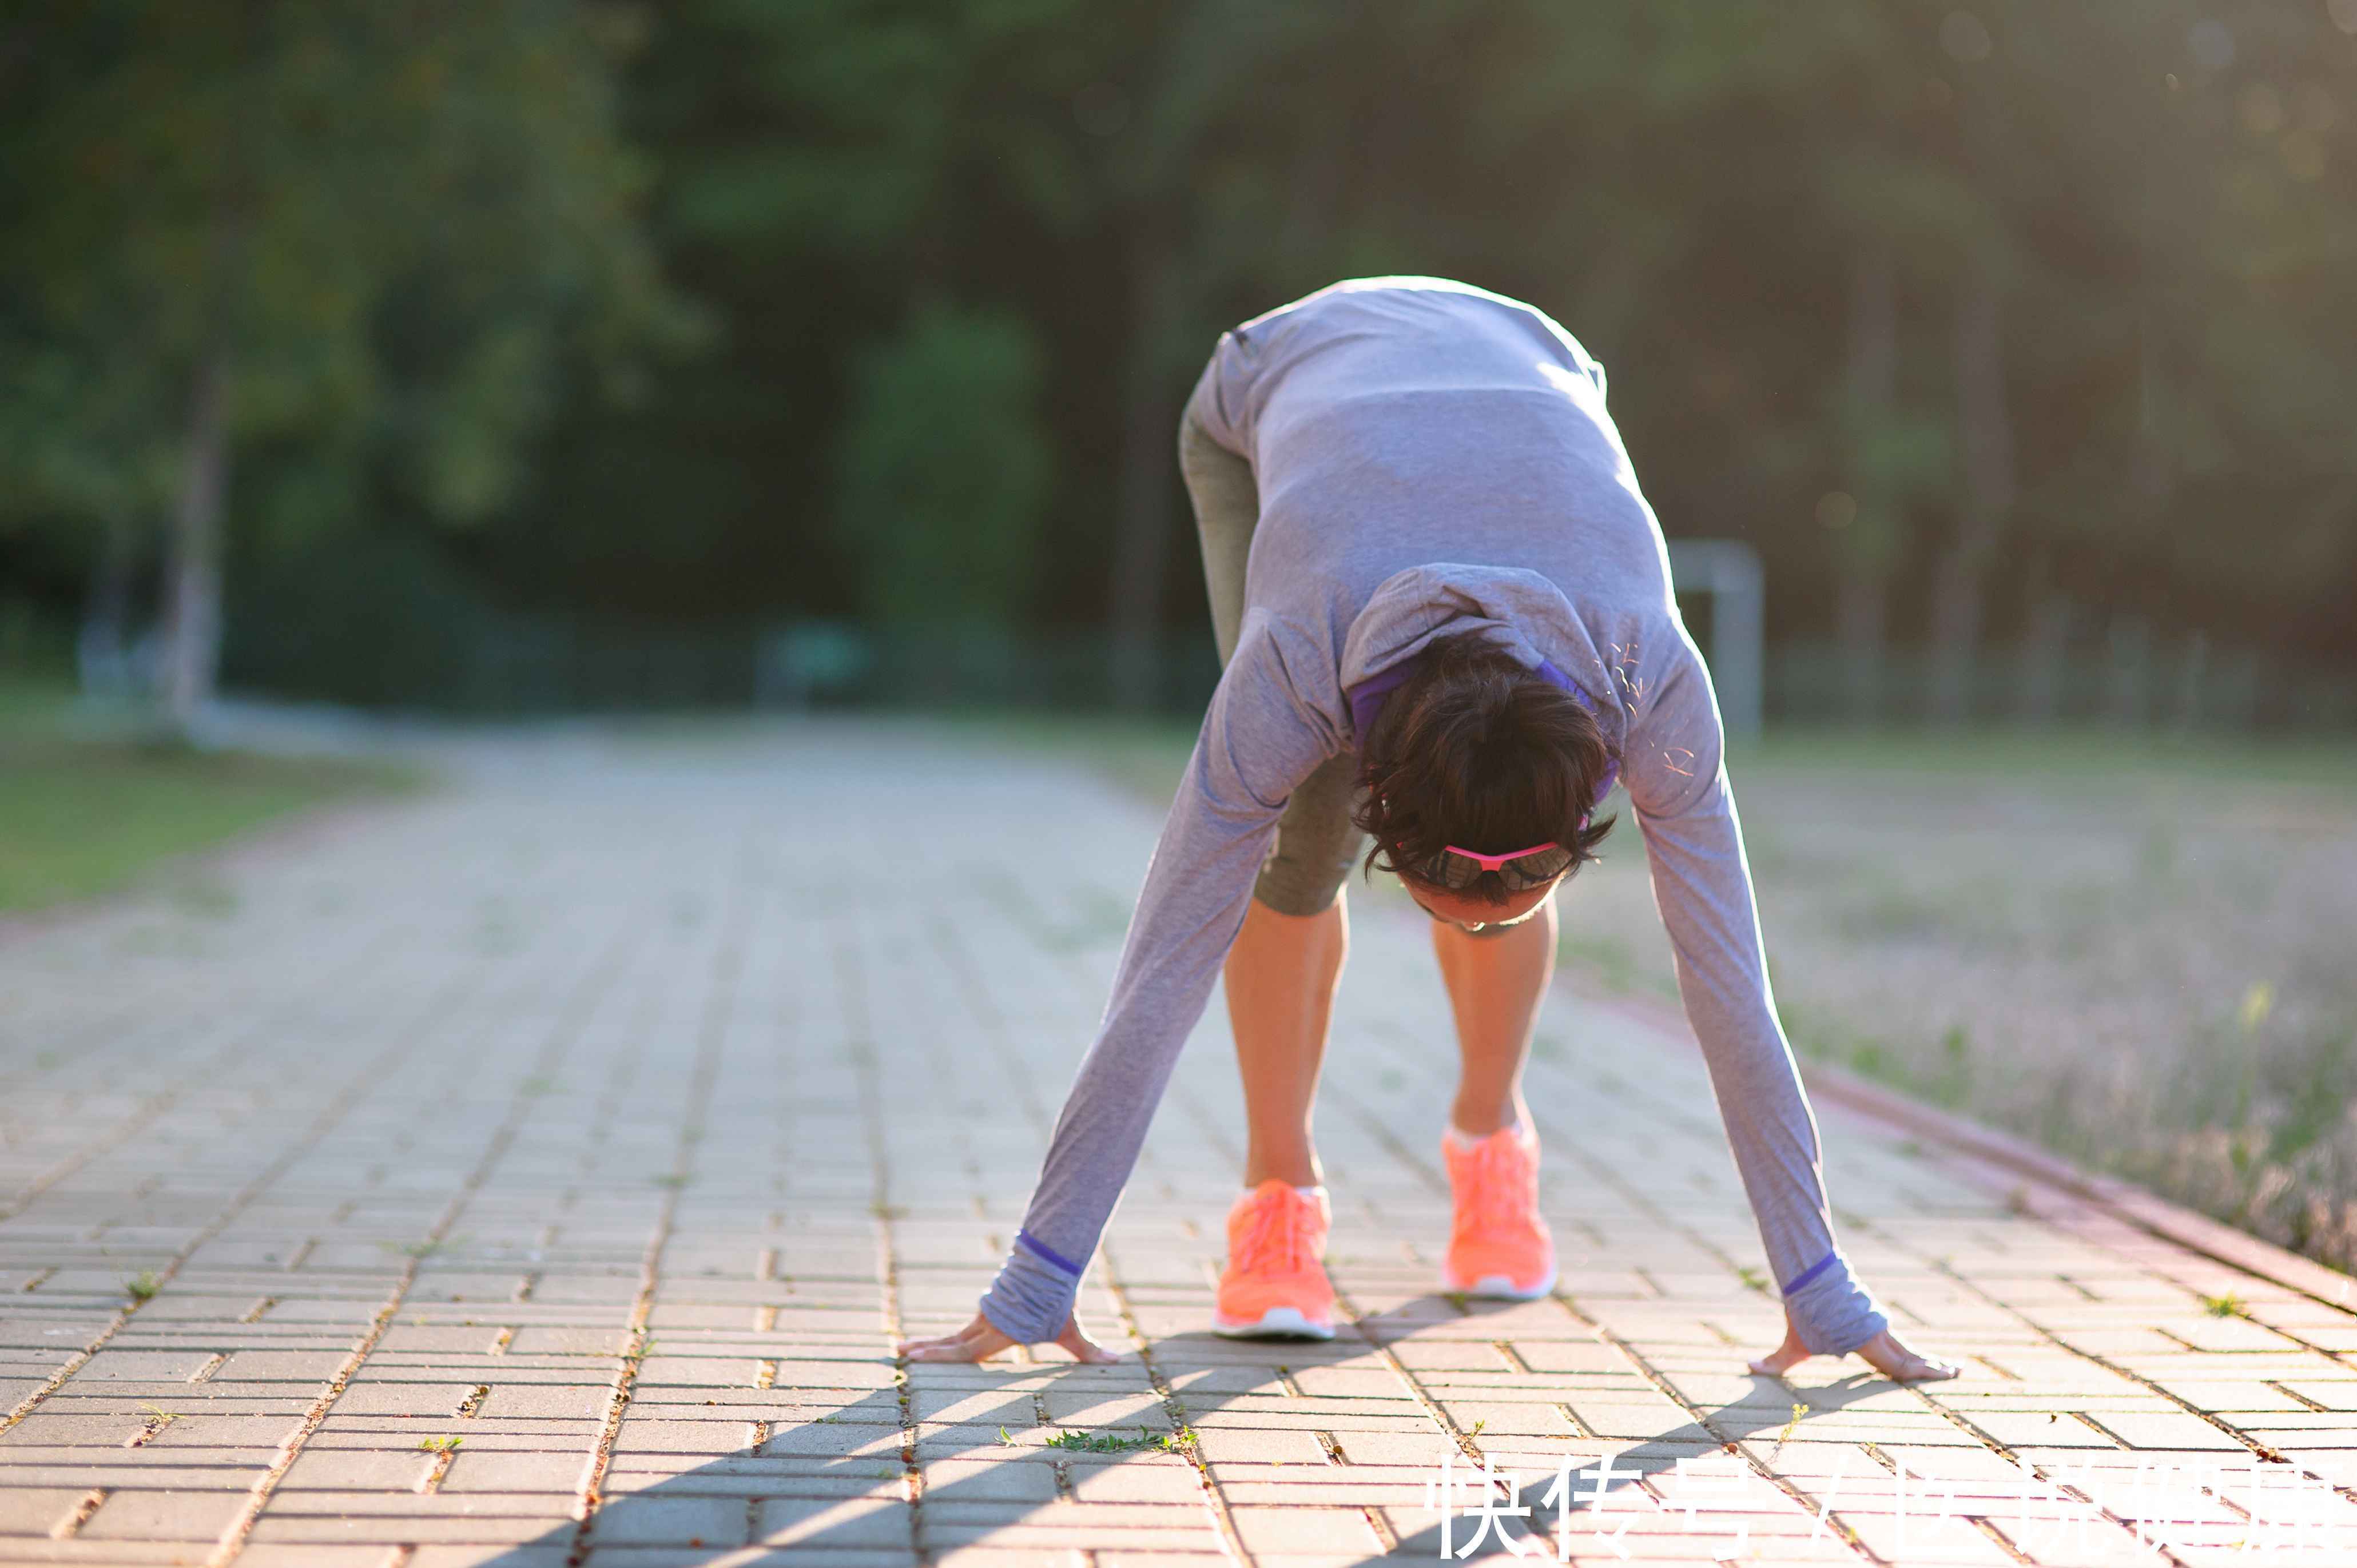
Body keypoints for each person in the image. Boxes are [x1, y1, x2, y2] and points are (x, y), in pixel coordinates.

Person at [903, 276, 1959, 1383]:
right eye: (1458, 901)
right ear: (1390, 827)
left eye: (1522, 890)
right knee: (1292, 844)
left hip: (1536, 358)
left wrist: (1819, 1288)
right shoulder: (1297, 657)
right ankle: (1278, 1195)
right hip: (1273, 379)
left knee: (1476, 841)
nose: (1493, 914)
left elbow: (1729, 982)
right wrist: (1038, 1278)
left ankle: (1492, 1140)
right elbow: (1162, 966)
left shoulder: (1651, 672)